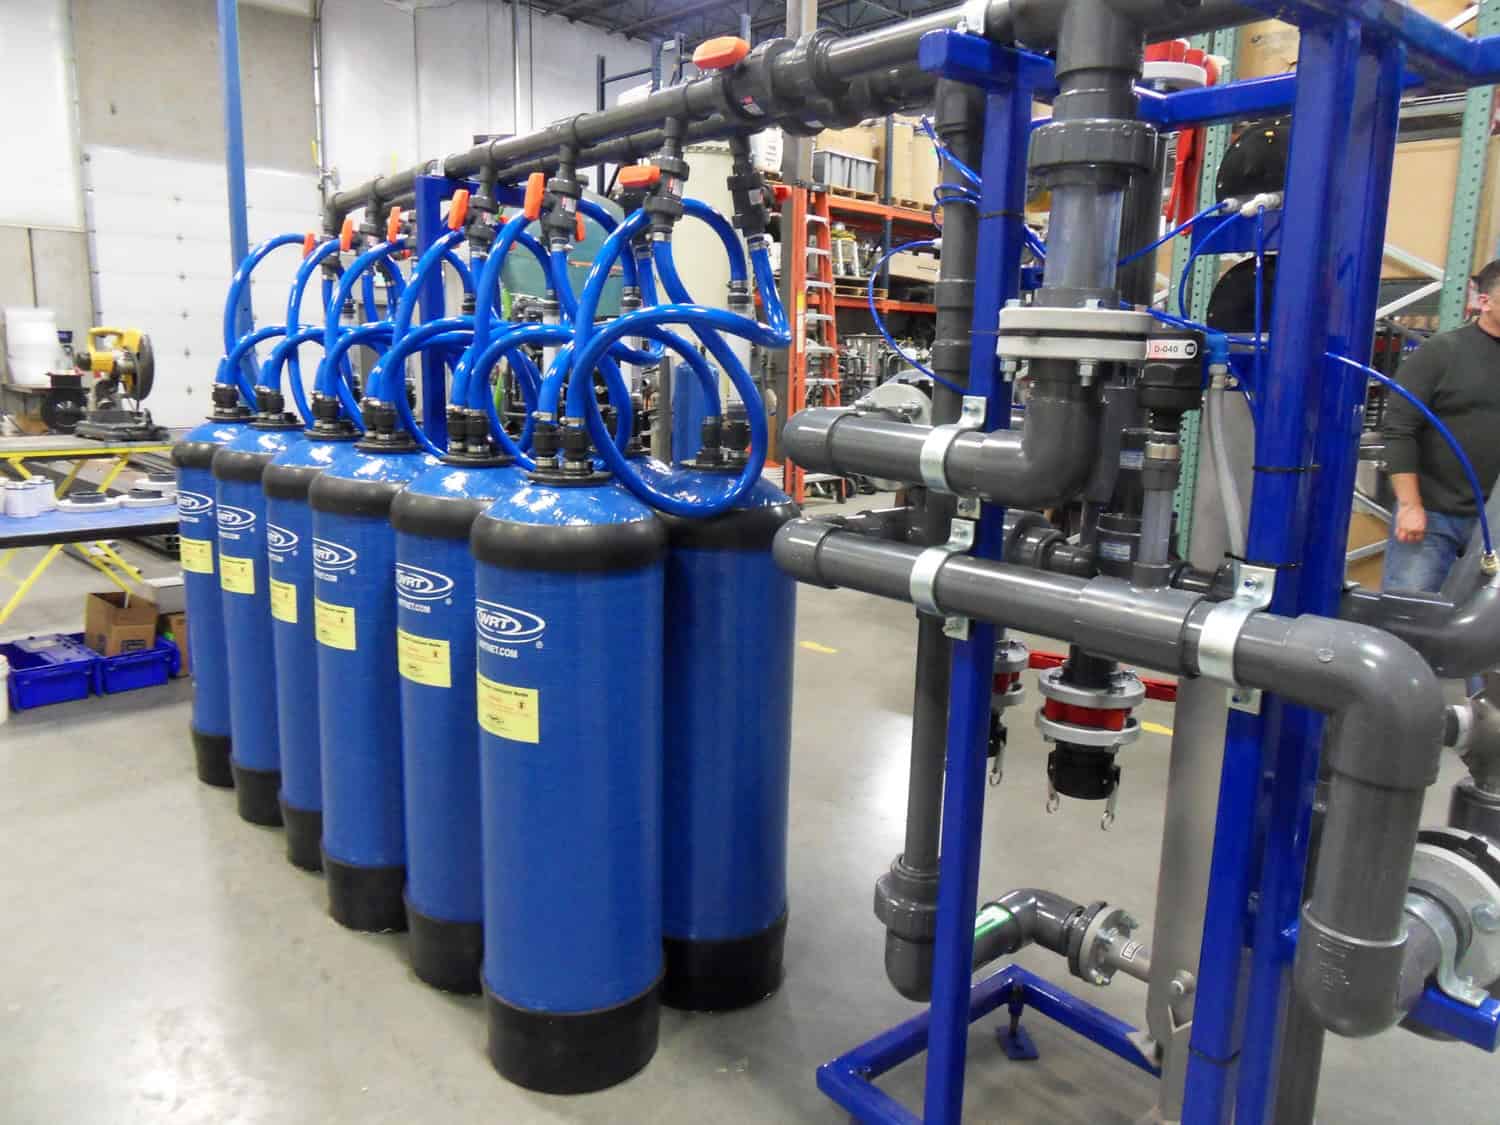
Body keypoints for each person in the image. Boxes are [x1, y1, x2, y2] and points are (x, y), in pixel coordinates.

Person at [1381, 259, 1500, 593]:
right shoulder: (1441, 353)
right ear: (1484, 302)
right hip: (1433, 517)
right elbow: (1399, 429)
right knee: (1409, 616)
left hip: (1494, 521)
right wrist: (1409, 506)